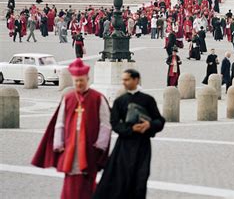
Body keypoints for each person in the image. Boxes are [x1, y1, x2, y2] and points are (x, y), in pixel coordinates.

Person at [31, 58, 111, 199]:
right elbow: (60, 123)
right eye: (76, 81)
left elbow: (105, 125)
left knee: (87, 182)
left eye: (81, 80)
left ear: (87, 79)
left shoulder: (98, 98)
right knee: (70, 180)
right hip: (70, 146)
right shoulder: (68, 98)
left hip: (90, 147)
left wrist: (100, 146)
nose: (79, 83)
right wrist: (58, 144)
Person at [93, 69, 165, 199]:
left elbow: (159, 120)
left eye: (126, 79)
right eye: (123, 80)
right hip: (124, 147)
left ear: (136, 80)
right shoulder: (120, 101)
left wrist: (149, 125)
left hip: (142, 145)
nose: (124, 82)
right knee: (120, 178)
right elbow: (114, 123)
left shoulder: (148, 100)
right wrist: (131, 129)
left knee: (140, 179)